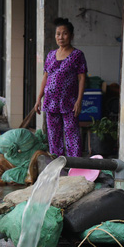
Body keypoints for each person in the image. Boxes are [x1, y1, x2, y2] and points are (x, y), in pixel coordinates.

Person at [34, 17, 87, 158]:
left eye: (64, 33)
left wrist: (79, 100)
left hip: (69, 102)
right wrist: (39, 98)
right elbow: (45, 77)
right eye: (58, 34)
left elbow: (82, 78)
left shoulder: (77, 55)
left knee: (72, 137)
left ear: (71, 35)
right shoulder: (51, 55)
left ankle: (75, 167)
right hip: (50, 102)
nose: (61, 37)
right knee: (53, 137)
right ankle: (58, 167)